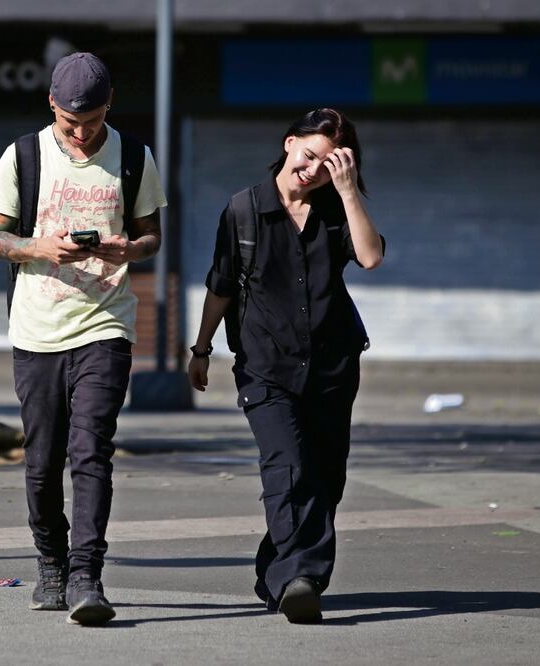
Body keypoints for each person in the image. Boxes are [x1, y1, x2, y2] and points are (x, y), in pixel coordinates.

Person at [0, 52, 166, 626]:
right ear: (52, 107)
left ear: (109, 105)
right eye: (70, 123)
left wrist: (126, 250)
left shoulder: (134, 156)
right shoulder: (23, 156)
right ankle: (50, 563)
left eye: (92, 122)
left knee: (91, 452)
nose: (82, 135)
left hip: (105, 324)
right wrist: (37, 246)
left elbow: (152, 236)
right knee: (41, 462)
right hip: (36, 329)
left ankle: (87, 574)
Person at [187, 108, 384, 624]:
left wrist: (347, 191)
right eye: (309, 154)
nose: (313, 169)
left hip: (332, 366)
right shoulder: (243, 211)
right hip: (265, 366)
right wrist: (202, 348)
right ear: (290, 142)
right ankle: (302, 578)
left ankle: (275, 569)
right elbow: (221, 285)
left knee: (325, 479)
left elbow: (370, 258)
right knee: (289, 467)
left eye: (329, 163)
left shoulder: (337, 209)